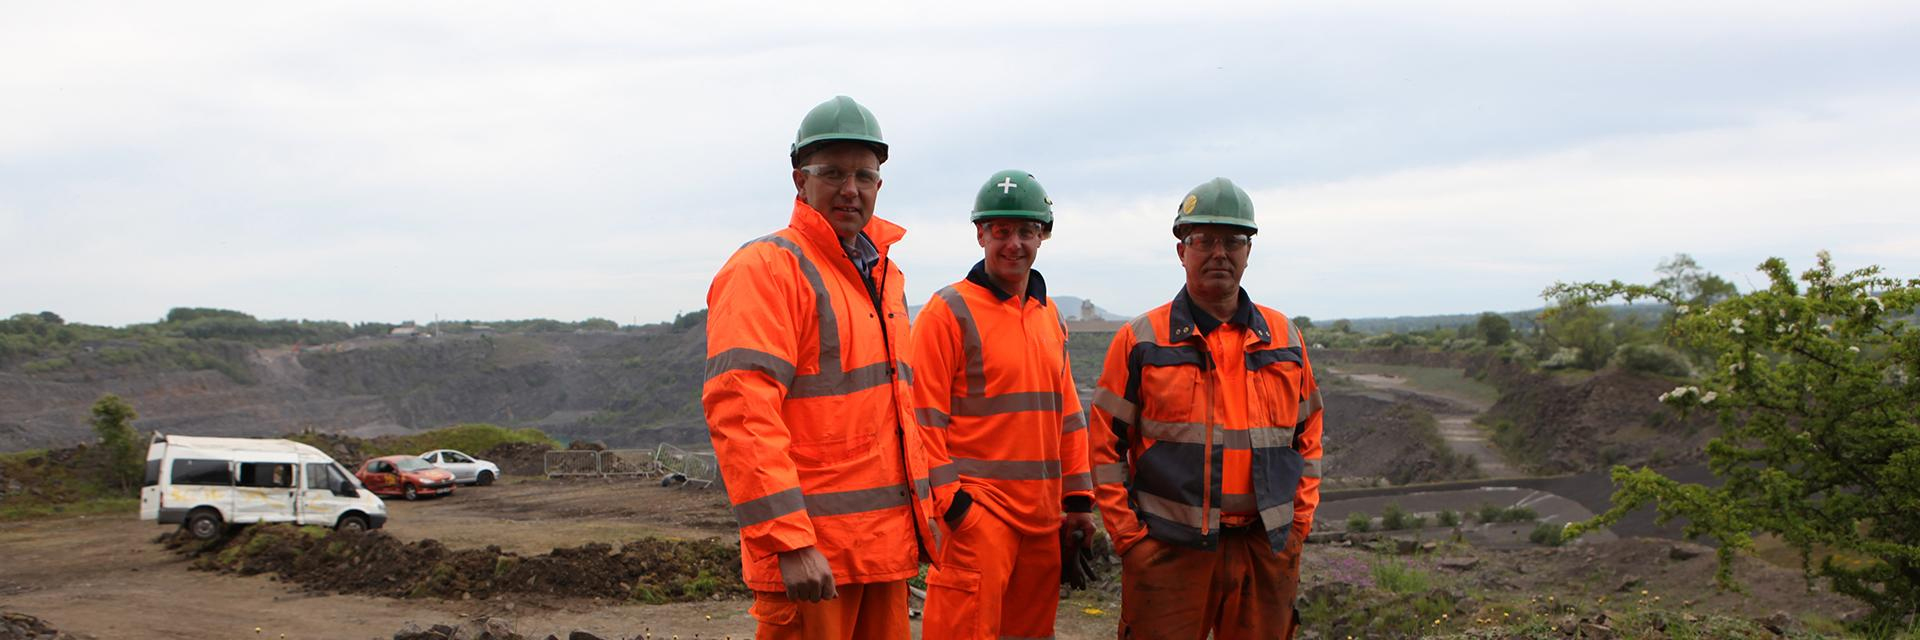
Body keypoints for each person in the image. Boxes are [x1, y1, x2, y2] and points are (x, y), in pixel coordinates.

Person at [702, 95, 939, 640]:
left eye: (864, 174)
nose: (850, 188)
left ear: (880, 185)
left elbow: (900, 415)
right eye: (831, 173)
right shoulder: (767, 269)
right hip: (815, 562)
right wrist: (790, 542)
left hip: (883, 556)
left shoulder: (884, 278)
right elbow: (742, 412)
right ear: (799, 180)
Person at [1087, 177, 1325, 639]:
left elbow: (1309, 435)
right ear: (1182, 250)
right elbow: (1103, 446)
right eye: (1204, 240)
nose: (1220, 252)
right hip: (1168, 553)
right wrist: (1129, 539)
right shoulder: (1141, 340)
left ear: (1249, 250)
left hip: (1265, 549)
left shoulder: (1286, 339)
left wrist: (1297, 524)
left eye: (1233, 240)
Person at [910, 170, 1096, 640]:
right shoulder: (946, 312)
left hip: (1042, 521)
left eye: (1027, 231)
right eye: (1001, 231)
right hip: (978, 520)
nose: (1014, 244)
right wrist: (954, 508)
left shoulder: (1048, 314)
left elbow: (1068, 415)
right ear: (980, 234)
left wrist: (1077, 503)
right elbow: (921, 419)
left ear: (1043, 236)